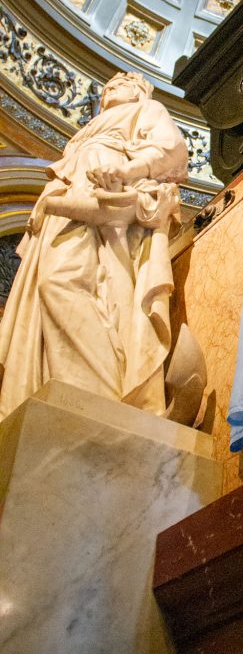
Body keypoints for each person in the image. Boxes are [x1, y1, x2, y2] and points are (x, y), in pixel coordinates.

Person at [0, 72, 188, 420]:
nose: (114, 83)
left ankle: (97, 399)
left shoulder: (146, 109)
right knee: (46, 296)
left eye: (124, 81)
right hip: (72, 198)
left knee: (62, 281)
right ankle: (61, 391)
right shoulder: (86, 133)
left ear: (140, 90)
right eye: (109, 84)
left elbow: (171, 149)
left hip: (104, 198)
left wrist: (126, 170)